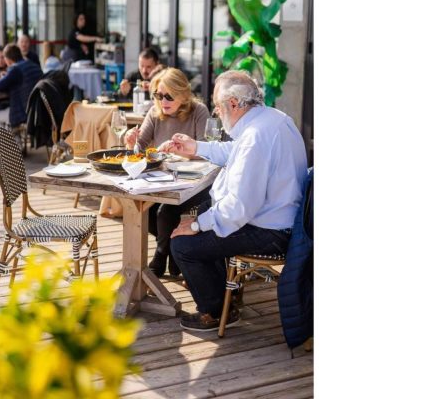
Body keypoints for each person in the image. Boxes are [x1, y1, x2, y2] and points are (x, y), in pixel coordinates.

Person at [160, 70, 308, 332]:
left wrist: (195, 226)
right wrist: (196, 147)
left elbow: (239, 208)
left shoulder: (255, 137)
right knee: (203, 213)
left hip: (270, 230)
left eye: (217, 107)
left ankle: (217, 311)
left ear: (233, 104)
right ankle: (228, 292)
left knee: (183, 244)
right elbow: (235, 152)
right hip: (281, 218)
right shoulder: (272, 119)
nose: (216, 113)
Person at [123, 68, 210, 278]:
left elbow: (208, 151)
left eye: (169, 95)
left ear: (183, 94)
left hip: (195, 183)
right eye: (158, 95)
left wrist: (184, 152)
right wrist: (130, 142)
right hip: (162, 179)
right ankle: (172, 249)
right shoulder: (155, 113)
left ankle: (161, 253)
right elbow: (139, 150)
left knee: (164, 212)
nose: (163, 100)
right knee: (145, 210)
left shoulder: (199, 111)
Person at [0, 43, 44, 128]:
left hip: (23, 113)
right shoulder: (33, 65)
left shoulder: (16, 69)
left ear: (8, 59)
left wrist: (4, 78)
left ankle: (8, 141)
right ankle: (14, 139)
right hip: (38, 110)